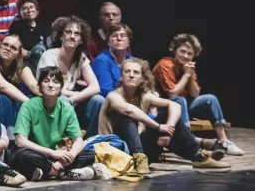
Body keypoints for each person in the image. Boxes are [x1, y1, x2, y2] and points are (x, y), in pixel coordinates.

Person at [99, 59, 230, 172]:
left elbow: (175, 105)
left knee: (168, 114)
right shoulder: (113, 96)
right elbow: (129, 110)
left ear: (141, 79)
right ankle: (138, 158)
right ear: (121, 76)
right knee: (128, 118)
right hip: (117, 151)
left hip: (142, 150)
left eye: (136, 72)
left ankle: (198, 157)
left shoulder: (144, 96)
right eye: (127, 71)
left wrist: (169, 127)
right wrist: (158, 126)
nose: (131, 75)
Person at [152, 33, 243, 155]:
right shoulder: (165, 64)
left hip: (182, 107)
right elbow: (172, 94)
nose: (185, 56)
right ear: (174, 50)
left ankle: (225, 141)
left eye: (189, 54)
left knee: (210, 99)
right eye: (182, 51)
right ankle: (187, 140)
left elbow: (195, 94)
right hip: (162, 109)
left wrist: (189, 75)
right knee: (180, 100)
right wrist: (186, 75)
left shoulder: (188, 67)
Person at [11, 67, 105, 181]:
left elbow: (78, 141)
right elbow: (21, 142)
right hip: (39, 153)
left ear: (61, 87)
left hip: (56, 157)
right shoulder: (28, 106)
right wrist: (52, 153)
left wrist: (71, 155)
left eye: (56, 82)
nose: (51, 85)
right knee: (22, 155)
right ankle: (60, 172)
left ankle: (49, 172)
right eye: (46, 81)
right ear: (39, 86)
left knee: (90, 154)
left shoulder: (67, 108)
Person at [37, 17, 103, 137]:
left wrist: (73, 99)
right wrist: (74, 95)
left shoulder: (80, 57)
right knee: (62, 100)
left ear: (81, 40)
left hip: (70, 101)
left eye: (77, 34)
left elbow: (95, 87)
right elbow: (51, 88)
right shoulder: (49, 56)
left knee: (98, 100)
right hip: (49, 102)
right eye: (68, 32)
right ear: (61, 36)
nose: (72, 36)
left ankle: (90, 139)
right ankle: (60, 140)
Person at [0, 34, 39, 138]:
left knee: (31, 99)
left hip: (11, 112)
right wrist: (30, 103)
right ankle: (10, 137)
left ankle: (28, 135)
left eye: (13, 48)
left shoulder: (20, 68)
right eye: (5, 44)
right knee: (3, 99)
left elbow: (35, 86)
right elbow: (3, 86)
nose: (8, 48)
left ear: (18, 54)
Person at [91, 23, 132, 97]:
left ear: (128, 42)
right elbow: (106, 91)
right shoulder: (101, 61)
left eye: (123, 35)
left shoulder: (132, 60)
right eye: (114, 36)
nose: (119, 38)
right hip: (111, 101)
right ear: (108, 42)